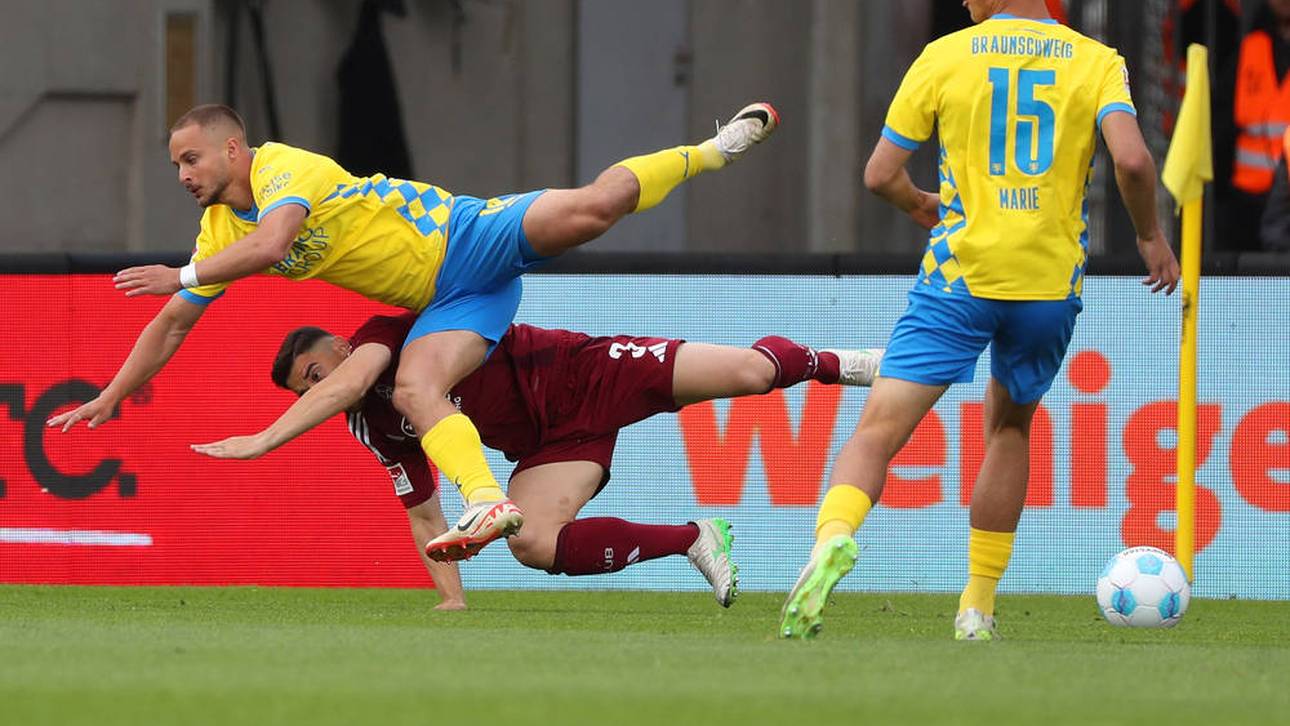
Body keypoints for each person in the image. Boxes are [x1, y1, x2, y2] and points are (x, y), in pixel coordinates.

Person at [46, 101, 780, 561]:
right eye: (175, 163)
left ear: (234, 150)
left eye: (191, 158)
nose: (183, 173)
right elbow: (175, 323)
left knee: (596, 206)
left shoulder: (282, 171)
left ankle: (710, 151)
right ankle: (488, 498)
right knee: (415, 387)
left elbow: (270, 249)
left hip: (465, 237)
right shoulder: (216, 228)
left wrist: (181, 274)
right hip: (452, 302)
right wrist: (113, 393)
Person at [778, 0, 1179, 641]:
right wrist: (1151, 237)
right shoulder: (1099, 61)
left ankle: (833, 538)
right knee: (1010, 429)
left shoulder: (944, 55)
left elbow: (880, 173)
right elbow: (1132, 162)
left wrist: (916, 205)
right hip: (1047, 286)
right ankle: (976, 608)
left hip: (959, 279)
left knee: (878, 431)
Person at [190, 312, 884, 608]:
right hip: (550, 445)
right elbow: (422, 509)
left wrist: (262, 439)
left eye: (317, 374)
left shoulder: (390, 331)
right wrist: (453, 600)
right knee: (533, 545)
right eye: (305, 389)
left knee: (750, 376)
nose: (321, 391)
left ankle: (846, 364)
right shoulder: (372, 425)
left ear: (342, 349)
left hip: (586, 371)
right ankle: (694, 539)